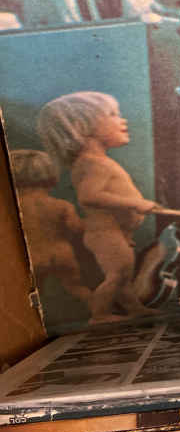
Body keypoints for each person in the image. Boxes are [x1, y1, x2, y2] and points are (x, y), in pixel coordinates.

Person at [37, 92, 157, 323]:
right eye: (113, 114)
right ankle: (99, 315)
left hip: (113, 232)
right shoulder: (93, 164)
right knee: (118, 274)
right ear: (83, 126)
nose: (123, 120)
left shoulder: (95, 162)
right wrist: (136, 203)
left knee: (123, 276)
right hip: (105, 233)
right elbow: (89, 196)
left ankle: (135, 309)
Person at [10, 149, 91, 309]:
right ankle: (101, 313)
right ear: (50, 175)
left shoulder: (12, 208)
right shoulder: (61, 206)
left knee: (30, 294)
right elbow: (77, 228)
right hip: (61, 252)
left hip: (31, 256)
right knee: (77, 288)